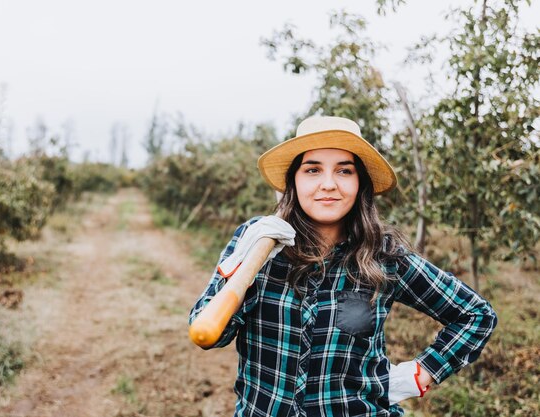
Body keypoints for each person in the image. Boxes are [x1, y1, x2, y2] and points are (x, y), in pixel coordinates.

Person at [189, 116, 498, 417]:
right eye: (312, 170)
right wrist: (239, 266)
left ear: (359, 182)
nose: (328, 184)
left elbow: (476, 315)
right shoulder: (259, 242)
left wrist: (422, 372)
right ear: (293, 182)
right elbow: (210, 335)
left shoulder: (384, 256)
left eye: (344, 171)